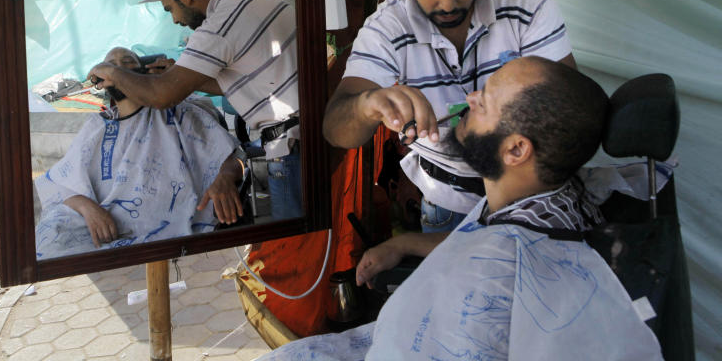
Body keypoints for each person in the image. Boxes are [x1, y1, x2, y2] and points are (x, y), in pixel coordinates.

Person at [258, 57, 662, 361]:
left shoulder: (490, 278)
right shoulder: (550, 192)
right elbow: (493, 239)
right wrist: (411, 243)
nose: (469, 98)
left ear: (516, 149)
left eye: (483, 103)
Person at [324, 0, 576, 232]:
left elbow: (566, 104)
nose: (447, 3)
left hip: (532, 194)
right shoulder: (387, 27)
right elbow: (336, 127)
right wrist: (370, 104)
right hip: (448, 204)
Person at [87, 0, 301, 219]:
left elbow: (161, 95)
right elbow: (252, 83)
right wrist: (186, 76)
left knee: (295, 244)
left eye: (170, 9)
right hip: (306, 132)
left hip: (291, 146)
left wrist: (112, 72)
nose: (175, 20)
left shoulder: (216, 26)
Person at [36, 47, 245, 258]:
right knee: (51, 237)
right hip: (108, 225)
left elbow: (234, 156)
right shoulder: (97, 126)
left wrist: (225, 177)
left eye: (127, 62)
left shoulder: (179, 114)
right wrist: (87, 207)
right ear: (100, 81)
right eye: (109, 65)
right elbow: (58, 181)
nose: (116, 69)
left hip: (169, 228)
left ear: (144, 71)